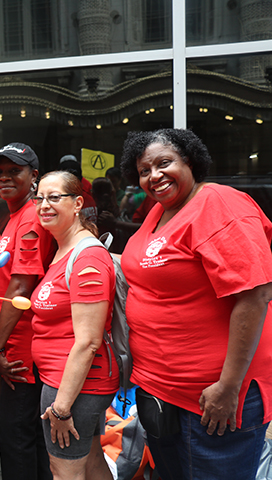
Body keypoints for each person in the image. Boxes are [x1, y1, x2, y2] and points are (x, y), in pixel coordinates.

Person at [119, 128, 272, 480]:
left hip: (210, 398)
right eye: (144, 170)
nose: (154, 176)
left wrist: (228, 387)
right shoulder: (159, 212)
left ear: (189, 161)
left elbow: (254, 295)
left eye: (164, 163)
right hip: (161, 392)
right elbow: (154, 269)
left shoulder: (218, 204)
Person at [32, 171, 117, 480]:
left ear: (78, 203)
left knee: (64, 472)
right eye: (39, 198)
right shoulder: (64, 248)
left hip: (75, 386)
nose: (44, 205)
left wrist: (61, 408)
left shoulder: (86, 259)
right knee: (91, 463)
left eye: (54, 197)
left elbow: (88, 342)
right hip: (69, 382)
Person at [0, 142, 55, 480]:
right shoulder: (16, 215)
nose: (4, 177)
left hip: (22, 355)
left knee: (16, 439)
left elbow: (20, 288)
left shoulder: (30, 217)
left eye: (15, 171)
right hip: (17, 350)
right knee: (30, 439)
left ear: (34, 176)